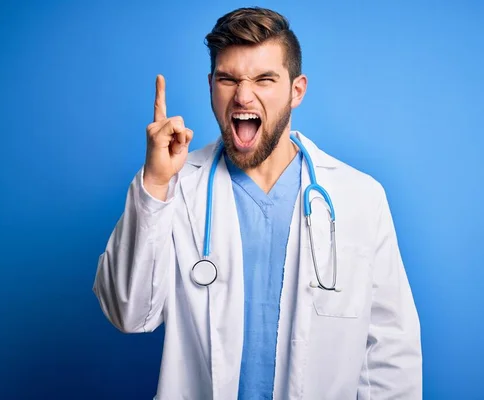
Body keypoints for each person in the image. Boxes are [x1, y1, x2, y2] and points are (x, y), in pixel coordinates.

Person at [93, 6, 422, 399]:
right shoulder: (175, 188)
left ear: (296, 90)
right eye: (228, 79)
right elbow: (129, 314)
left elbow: (390, 354)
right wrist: (155, 182)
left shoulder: (359, 198)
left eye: (264, 79)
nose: (243, 96)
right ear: (211, 85)